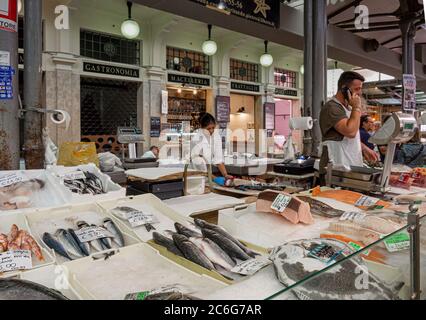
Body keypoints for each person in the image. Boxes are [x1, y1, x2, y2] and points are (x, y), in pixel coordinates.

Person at [319, 71, 379, 176]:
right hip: (335, 170)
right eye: (357, 89)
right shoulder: (332, 107)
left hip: (349, 166)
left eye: (360, 89)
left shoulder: (348, 108)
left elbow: (347, 137)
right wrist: (356, 107)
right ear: (344, 88)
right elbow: (350, 132)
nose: (359, 93)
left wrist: (364, 148)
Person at [190, 113, 232, 179]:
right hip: (197, 176)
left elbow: (218, 159)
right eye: (208, 128)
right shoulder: (196, 139)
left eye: (213, 128)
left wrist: (225, 175)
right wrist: (215, 178)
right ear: (202, 128)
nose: (211, 131)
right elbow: (199, 166)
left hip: (209, 174)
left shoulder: (216, 136)